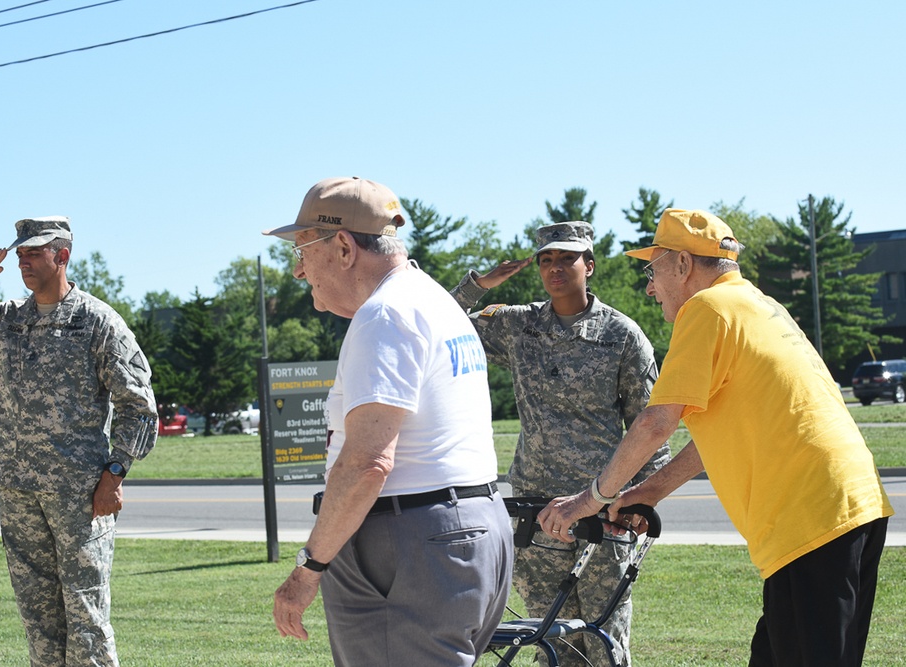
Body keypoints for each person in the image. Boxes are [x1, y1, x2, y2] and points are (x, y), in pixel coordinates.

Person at [537, 209, 894, 667]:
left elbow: (655, 423)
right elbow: (722, 429)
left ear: (683, 265)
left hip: (811, 518)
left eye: (654, 269)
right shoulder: (757, 304)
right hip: (847, 508)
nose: (649, 286)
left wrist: (588, 500)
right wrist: (648, 491)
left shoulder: (706, 309)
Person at [268, 177, 513, 666]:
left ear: (342, 247)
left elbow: (367, 462)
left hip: (412, 544)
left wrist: (308, 567)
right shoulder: (433, 299)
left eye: (302, 249)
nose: (298, 271)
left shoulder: (385, 315)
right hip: (469, 528)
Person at [0, 216, 159, 667]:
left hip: (79, 495)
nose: (23, 261)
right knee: (39, 623)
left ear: (62, 255)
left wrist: (116, 472)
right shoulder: (6, 321)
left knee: (85, 621)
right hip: (18, 490)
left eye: (34, 252)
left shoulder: (97, 322)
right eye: (20, 253)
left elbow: (139, 405)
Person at [451, 221, 670, 665]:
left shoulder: (621, 335)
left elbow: (651, 427)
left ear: (589, 265)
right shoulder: (517, 325)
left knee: (603, 640)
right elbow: (438, 325)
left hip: (603, 510)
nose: (555, 267)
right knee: (551, 643)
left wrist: (640, 502)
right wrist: (478, 285)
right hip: (536, 512)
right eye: (546, 259)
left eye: (567, 258)